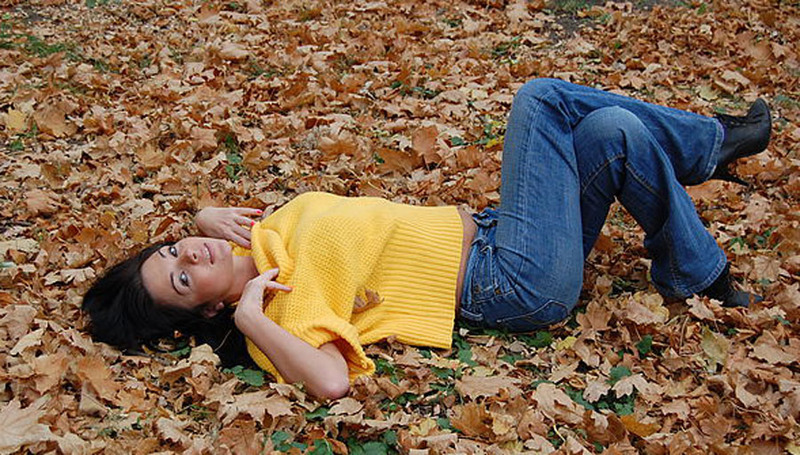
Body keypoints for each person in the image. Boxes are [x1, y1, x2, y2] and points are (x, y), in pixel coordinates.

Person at [82, 79, 772, 400]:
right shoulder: (277, 309)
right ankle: (709, 144)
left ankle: (698, 273)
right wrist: (252, 319)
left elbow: (205, 240)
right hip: (510, 279)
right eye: (182, 279)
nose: (186, 255)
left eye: (169, 251)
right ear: (208, 308)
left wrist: (203, 214)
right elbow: (330, 381)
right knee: (539, 100)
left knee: (609, 133)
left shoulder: (255, 236)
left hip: (502, 234)